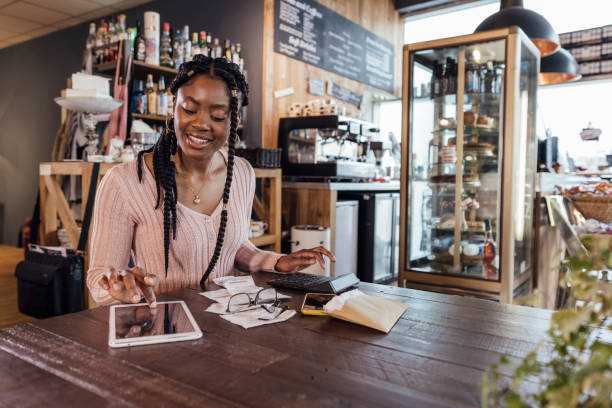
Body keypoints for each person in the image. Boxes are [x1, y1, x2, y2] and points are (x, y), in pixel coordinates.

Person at [86, 55, 335, 306]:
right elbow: (99, 279)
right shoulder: (125, 182)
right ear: (173, 106)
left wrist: (278, 262)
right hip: (161, 328)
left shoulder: (241, 173)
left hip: (224, 326)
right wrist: (118, 286)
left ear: (233, 120)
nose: (201, 124)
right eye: (190, 109)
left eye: (217, 116)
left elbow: (233, 247)